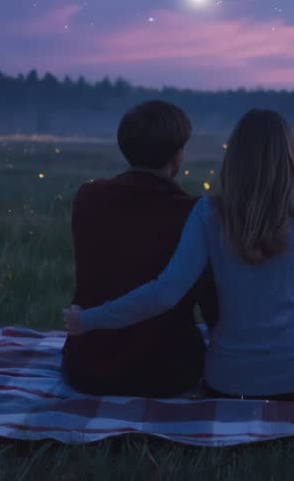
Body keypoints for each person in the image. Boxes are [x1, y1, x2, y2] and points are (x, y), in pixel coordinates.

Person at [65, 108, 294, 401]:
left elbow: (165, 292)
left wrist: (88, 320)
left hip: (226, 383)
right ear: (289, 159)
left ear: (234, 158)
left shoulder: (206, 212)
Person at [61, 100, 219, 398]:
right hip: (167, 373)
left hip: (88, 366)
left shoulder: (88, 197)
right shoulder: (194, 212)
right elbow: (208, 297)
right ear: (177, 155)